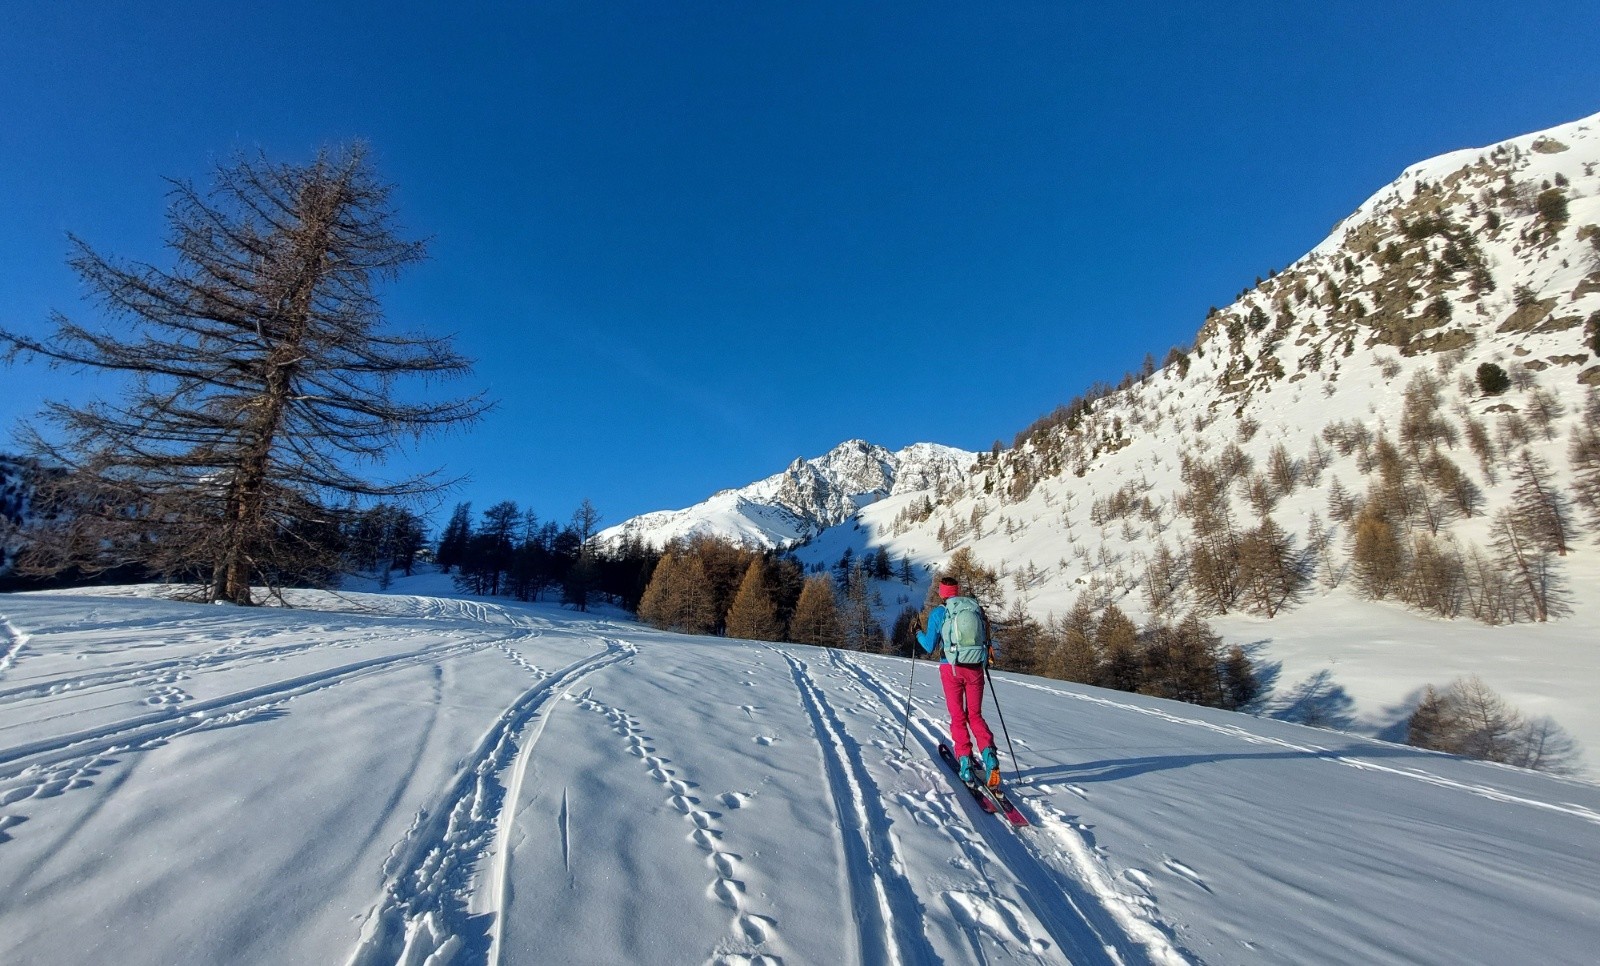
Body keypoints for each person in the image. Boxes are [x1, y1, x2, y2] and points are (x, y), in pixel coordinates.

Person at [916, 576, 998, 785]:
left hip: (951, 668)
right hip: (975, 668)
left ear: (942, 593)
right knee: (975, 715)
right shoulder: (974, 609)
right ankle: (990, 758)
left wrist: (916, 632)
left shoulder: (939, 613)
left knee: (958, 716)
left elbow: (928, 646)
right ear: (957, 590)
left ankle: (965, 764)